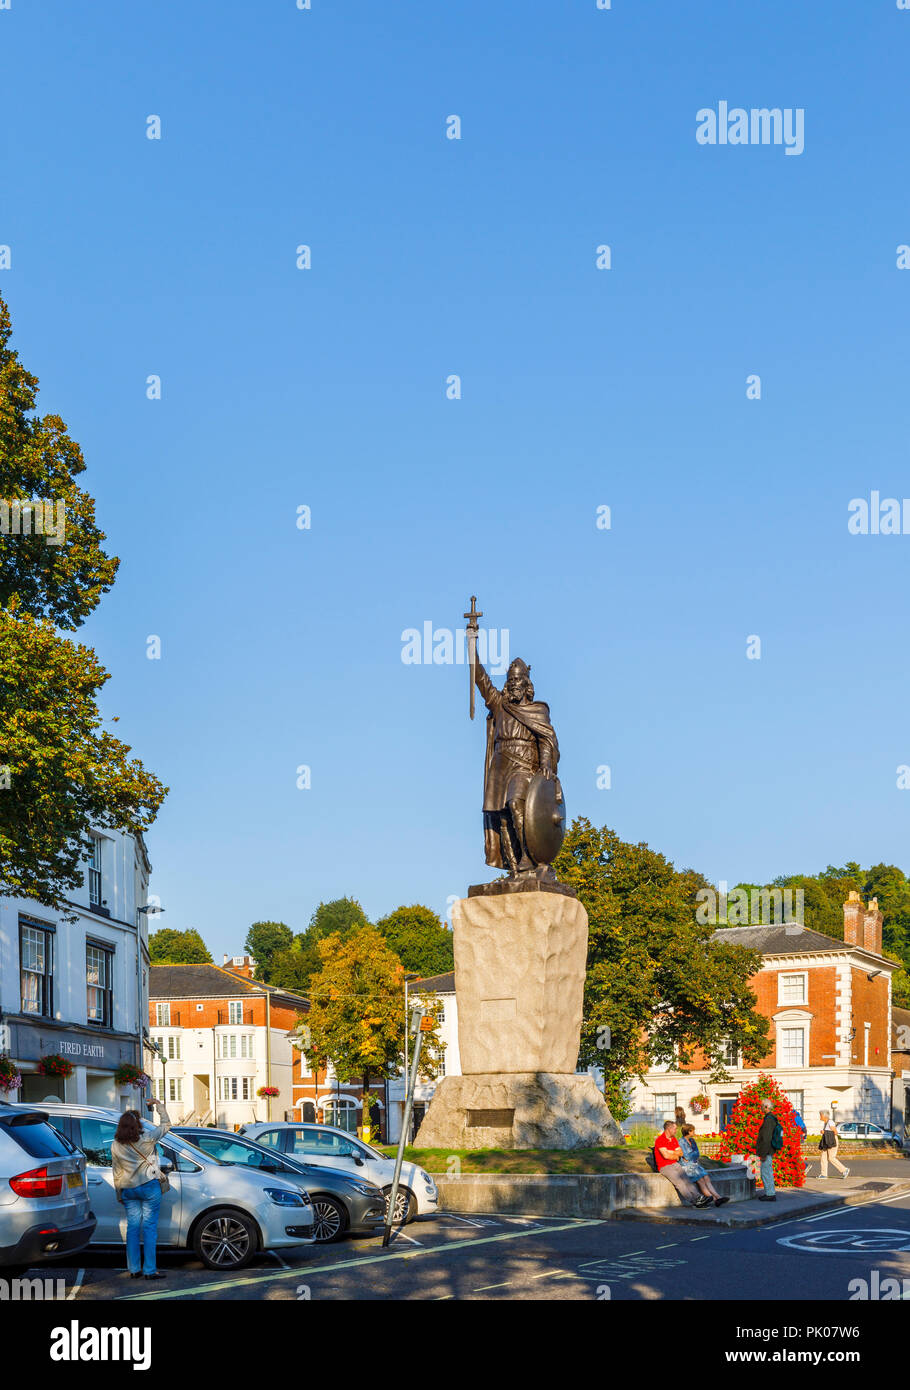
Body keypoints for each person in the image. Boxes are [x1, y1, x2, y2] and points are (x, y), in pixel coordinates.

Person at [111, 1099, 171, 1280]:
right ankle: (150, 1270)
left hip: (128, 1189)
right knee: (150, 1228)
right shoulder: (147, 1139)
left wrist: (118, 1192)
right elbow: (166, 1124)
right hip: (149, 1187)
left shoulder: (115, 1145)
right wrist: (159, 1105)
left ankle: (134, 1269)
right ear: (136, 1126)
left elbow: (116, 1171)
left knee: (133, 1228)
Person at [654, 1121, 713, 1208]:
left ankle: (699, 1198)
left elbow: (681, 1153)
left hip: (675, 1164)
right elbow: (666, 1156)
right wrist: (675, 1154)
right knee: (680, 1183)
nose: (676, 1131)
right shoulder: (660, 1140)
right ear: (668, 1129)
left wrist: (671, 1153)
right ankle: (694, 1201)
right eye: (674, 1129)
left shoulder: (673, 1139)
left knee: (687, 1181)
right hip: (665, 1167)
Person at [679, 1124, 729, 1207]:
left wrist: (691, 1155)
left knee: (706, 1178)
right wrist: (692, 1155)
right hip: (687, 1166)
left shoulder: (692, 1141)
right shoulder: (681, 1142)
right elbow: (686, 1156)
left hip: (695, 1164)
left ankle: (718, 1197)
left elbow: (696, 1154)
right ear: (688, 1131)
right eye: (693, 1130)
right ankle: (712, 1198)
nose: (694, 1132)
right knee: (701, 1181)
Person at [754, 1097, 778, 1202]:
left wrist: (763, 1153)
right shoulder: (771, 1118)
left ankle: (770, 1194)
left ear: (766, 1107)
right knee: (767, 1171)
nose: (760, 1108)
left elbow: (766, 1138)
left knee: (766, 1172)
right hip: (769, 1150)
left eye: (762, 1106)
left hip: (767, 1151)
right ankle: (770, 1193)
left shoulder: (768, 1120)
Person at [817, 1110, 849, 1180]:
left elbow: (835, 1132)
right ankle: (824, 1174)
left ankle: (844, 1170)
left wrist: (824, 1132)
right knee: (823, 1157)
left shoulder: (830, 1122)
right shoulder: (825, 1123)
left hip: (832, 1141)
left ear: (824, 1116)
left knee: (831, 1158)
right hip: (826, 1141)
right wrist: (824, 1133)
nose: (820, 1117)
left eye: (820, 1115)